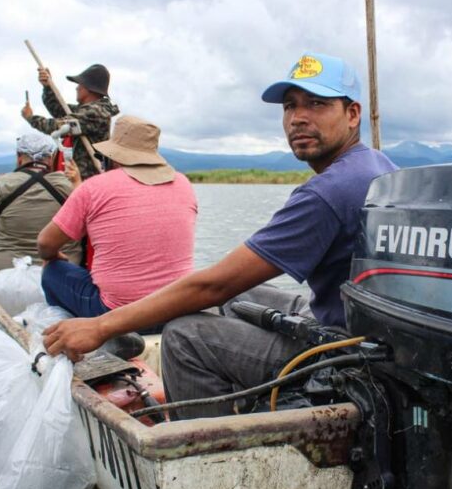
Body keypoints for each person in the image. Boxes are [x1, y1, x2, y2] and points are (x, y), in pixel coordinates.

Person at [41, 52, 397, 418]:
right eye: (290, 106)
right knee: (238, 294)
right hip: (361, 329)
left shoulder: (328, 191)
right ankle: (244, 393)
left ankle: (216, 452)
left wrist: (100, 326)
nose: (298, 118)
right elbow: (225, 284)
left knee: (184, 337)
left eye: (317, 104)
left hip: (342, 357)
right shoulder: (378, 166)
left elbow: (212, 286)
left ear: (352, 114)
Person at [37, 115, 198, 322]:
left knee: (53, 271)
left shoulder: (94, 187)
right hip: (174, 308)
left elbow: (45, 243)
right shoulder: (184, 184)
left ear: (112, 156)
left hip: (115, 314)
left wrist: (53, 256)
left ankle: (70, 326)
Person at [0, 134, 82, 279]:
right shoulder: (70, 186)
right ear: (52, 157)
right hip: (62, 274)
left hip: (3, 272)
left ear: (19, 157)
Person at [21, 64, 120, 180]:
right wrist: (48, 87)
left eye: (80, 84)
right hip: (81, 179)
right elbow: (59, 109)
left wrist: (30, 118)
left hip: (87, 180)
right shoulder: (88, 110)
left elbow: (57, 127)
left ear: (89, 88)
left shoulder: (95, 113)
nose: (77, 88)